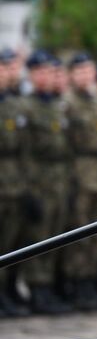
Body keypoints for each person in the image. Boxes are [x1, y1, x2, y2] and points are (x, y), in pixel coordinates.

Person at [18, 51, 73, 314]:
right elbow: (24, 153)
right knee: (37, 237)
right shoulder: (25, 107)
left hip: (58, 180)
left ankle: (48, 287)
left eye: (50, 72)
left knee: (57, 235)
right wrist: (28, 189)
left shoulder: (56, 105)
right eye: (40, 71)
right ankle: (35, 288)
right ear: (31, 74)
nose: (46, 77)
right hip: (38, 180)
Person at [60, 53, 97, 311]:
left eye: (88, 71)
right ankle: (73, 282)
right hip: (78, 172)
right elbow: (64, 145)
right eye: (79, 71)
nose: (85, 76)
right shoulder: (66, 103)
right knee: (78, 232)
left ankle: (89, 281)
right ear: (72, 75)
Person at [0, 48, 30, 316]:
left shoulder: (13, 102)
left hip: (13, 182)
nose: (11, 72)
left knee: (13, 240)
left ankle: (8, 290)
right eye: (6, 67)